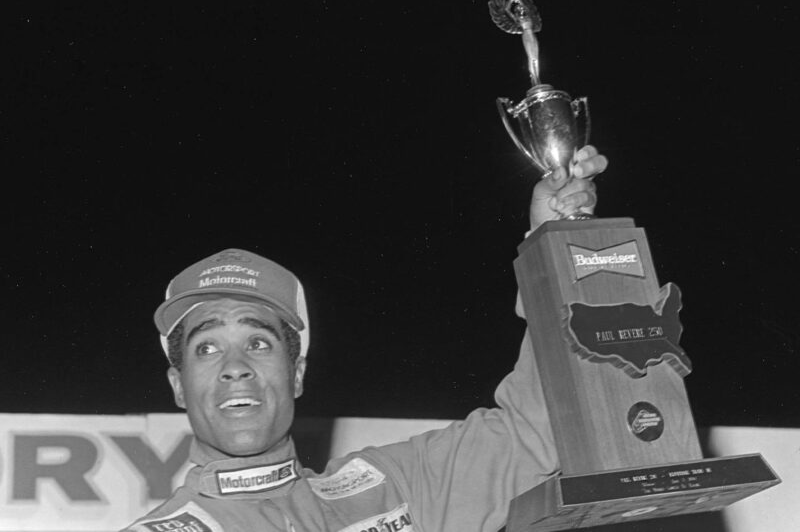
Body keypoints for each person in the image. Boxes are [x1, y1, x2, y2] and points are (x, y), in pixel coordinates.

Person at [121, 146, 608, 532]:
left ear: (296, 374)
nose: (234, 366)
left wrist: (554, 246)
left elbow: (539, 428)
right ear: (178, 384)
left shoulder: (394, 485)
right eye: (206, 348)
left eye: (259, 342)